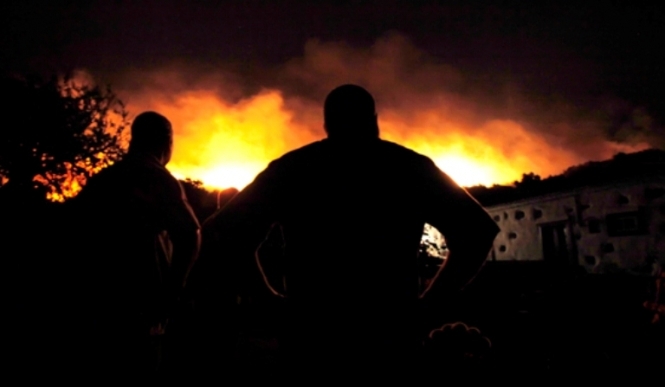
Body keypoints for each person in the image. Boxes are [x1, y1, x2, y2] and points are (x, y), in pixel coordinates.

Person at [202, 84, 499, 377]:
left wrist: (268, 300)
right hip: (389, 335)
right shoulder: (408, 169)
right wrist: (428, 306)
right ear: (375, 121)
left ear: (327, 123)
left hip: (312, 336)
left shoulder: (294, 169)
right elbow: (478, 231)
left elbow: (224, 232)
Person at [71, 111, 201, 378]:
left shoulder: (104, 179)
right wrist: (172, 293)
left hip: (100, 299)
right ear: (167, 141)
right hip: (144, 300)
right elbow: (190, 234)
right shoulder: (160, 179)